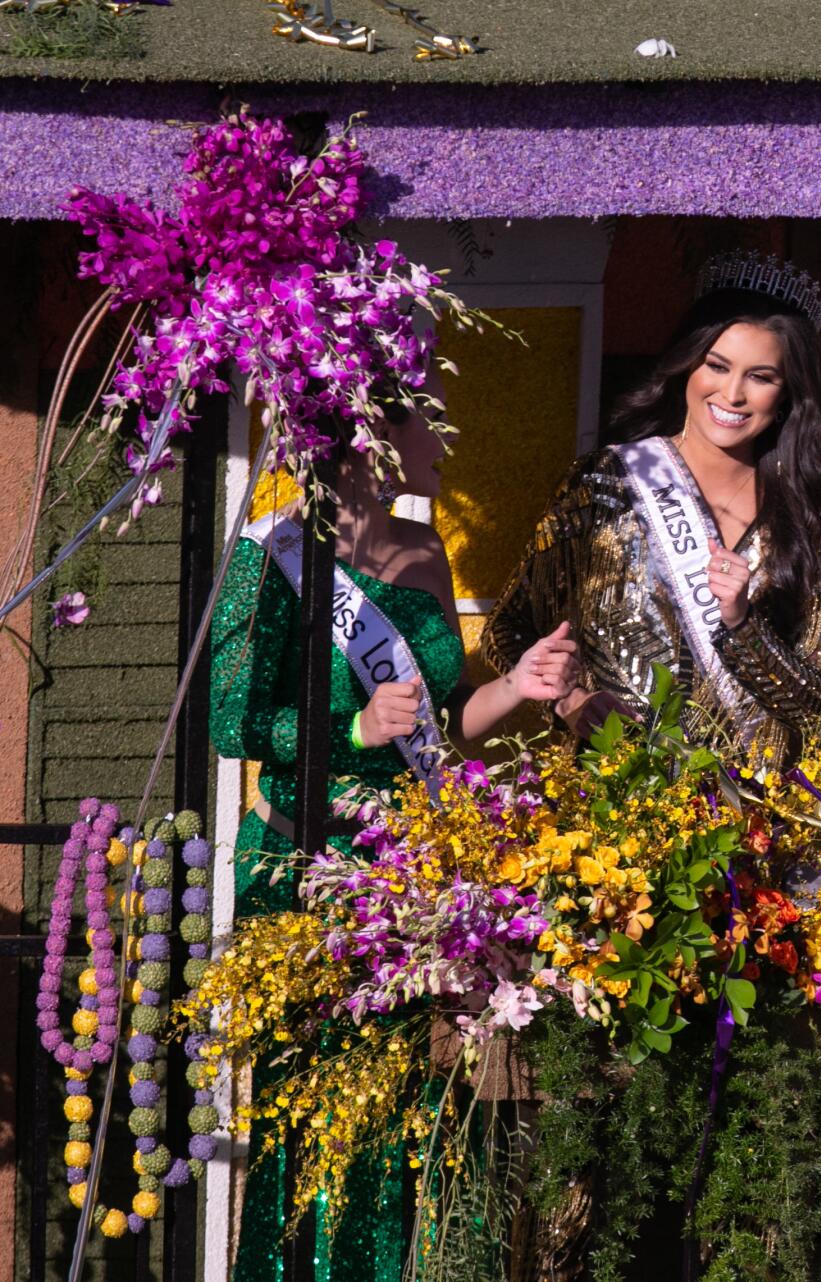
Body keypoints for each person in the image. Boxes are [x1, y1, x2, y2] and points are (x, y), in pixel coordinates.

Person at [209, 393, 578, 1282]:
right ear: (368, 437)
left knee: (410, 1124)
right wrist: (354, 733)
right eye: (423, 415)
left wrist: (515, 687)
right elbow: (230, 721)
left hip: (409, 884)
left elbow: (446, 724)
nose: (443, 435)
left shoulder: (425, 555)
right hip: (306, 869)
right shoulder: (268, 557)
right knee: (318, 1130)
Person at [484, 251, 821, 764]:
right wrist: (567, 700)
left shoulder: (807, 515)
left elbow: (816, 709)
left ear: (787, 393)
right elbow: (507, 628)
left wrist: (743, 623)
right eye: (717, 366)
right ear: (688, 364)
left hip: (750, 817)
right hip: (613, 800)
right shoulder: (607, 482)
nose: (733, 393)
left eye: (761, 377)